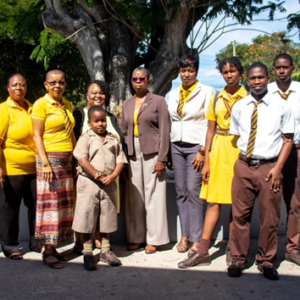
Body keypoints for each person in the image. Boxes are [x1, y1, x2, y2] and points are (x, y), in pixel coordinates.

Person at [177, 57, 247, 268]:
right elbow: (209, 131)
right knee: (213, 202)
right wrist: (206, 161)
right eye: (225, 72)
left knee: (238, 204)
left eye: (233, 71)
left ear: (240, 74)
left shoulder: (248, 98)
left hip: (238, 151)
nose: (229, 75)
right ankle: (203, 251)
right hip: (218, 151)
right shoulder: (216, 98)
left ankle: (233, 250)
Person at [227, 62, 294, 280]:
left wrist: (277, 168)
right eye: (253, 78)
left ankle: (266, 261)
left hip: (269, 168)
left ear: (268, 79)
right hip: (244, 165)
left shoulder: (281, 105)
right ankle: (238, 258)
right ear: (247, 79)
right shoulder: (239, 106)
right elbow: (236, 136)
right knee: (240, 216)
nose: (257, 82)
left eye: (262, 77)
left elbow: (288, 140)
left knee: (270, 218)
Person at [168, 54, 215, 255]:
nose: (186, 74)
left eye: (190, 71)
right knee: (180, 192)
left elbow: (210, 122)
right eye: (183, 70)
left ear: (196, 72)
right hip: (176, 145)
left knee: (194, 191)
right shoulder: (172, 93)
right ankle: (184, 236)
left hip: (197, 146)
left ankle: (197, 239)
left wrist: (203, 151)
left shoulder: (207, 91)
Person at [120, 67, 170, 254]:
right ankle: (136, 237)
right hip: (132, 151)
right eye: (135, 79)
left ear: (149, 80)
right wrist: (123, 159)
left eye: (142, 79)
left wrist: (162, 158)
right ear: (131, 81)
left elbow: (165, 131)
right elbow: (123, 132)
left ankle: (154, 239)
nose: (138, 81)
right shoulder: (126, 103)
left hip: (153, 151)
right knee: (135, 197)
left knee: (154, 196)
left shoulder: (158, 101)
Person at [73, 106, 127, 270]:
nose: (100, 124)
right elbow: (82, 160)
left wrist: (112, 176)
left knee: (107, 217)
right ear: (89, 123)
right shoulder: (85, 138)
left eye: (103, 120)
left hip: (108, 185)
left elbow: (121, 161)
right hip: (89, 183)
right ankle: (88, 253)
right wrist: (97, 175)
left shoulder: (113, 140)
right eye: (96, 121)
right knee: (87, 217)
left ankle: (105, 251)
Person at [32, 69, 75, 269]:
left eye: (61, 82)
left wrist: (76, 158)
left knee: (63, 205)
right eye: (53, 82)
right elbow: (36, 135)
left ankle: (55, 246)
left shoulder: (67, 105)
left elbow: (70, 133)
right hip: (49, 160)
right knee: (49, 206)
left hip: (66, 161)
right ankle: (47, 250)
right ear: (46, 85)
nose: (58, 85)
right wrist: (45, 162)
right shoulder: (41, 105)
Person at [0, 73, 36, 260]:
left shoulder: (32, 108)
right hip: (11, 168)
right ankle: (9, 245)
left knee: (36, 206)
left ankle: (35, 242)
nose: (18, 88)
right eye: (14, 85)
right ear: (8, 88)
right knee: (10, 208)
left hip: (34, 168)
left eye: (22, 85)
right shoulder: (4, 109)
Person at [268, 53, 300, 266]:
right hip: (272, 154)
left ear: (292, 68)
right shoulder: (265, 92)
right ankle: (267, 252)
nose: (281, 71)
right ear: (273, 70)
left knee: (295, 202)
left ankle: (292, 248)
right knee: (270, 203)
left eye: (285, 67)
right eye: (278, 67)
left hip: (296, 151)